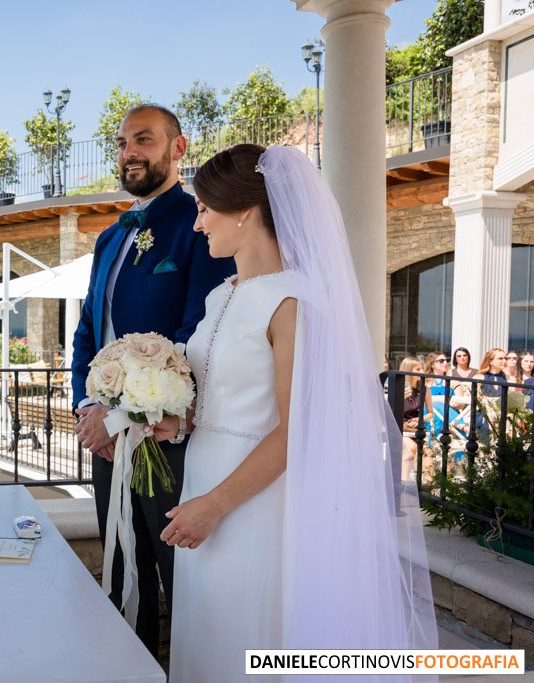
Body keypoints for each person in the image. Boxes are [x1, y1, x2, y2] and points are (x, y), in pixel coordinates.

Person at [152, 145, 436, 680]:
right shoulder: (220, 296)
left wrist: (215, 505)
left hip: (253, 500)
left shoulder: (293, 302)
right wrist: (178, 421)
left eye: (205, 209)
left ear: (244, 210)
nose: (197, 224)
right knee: (207, 630)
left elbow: (297, 426)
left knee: (246, 635)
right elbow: (221, 396)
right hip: (203, 479)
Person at [70, 104, 234, 653]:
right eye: (122, 143)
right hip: (104, 437)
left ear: (177, 148)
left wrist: (126, 414)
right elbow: (87, 330)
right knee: (121, 567)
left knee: (178, 572)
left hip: (166, 438)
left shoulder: (198, 224)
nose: (129, 153)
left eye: (143, 139)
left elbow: (197, 333)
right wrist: (88, 408)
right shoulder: (107, 239)